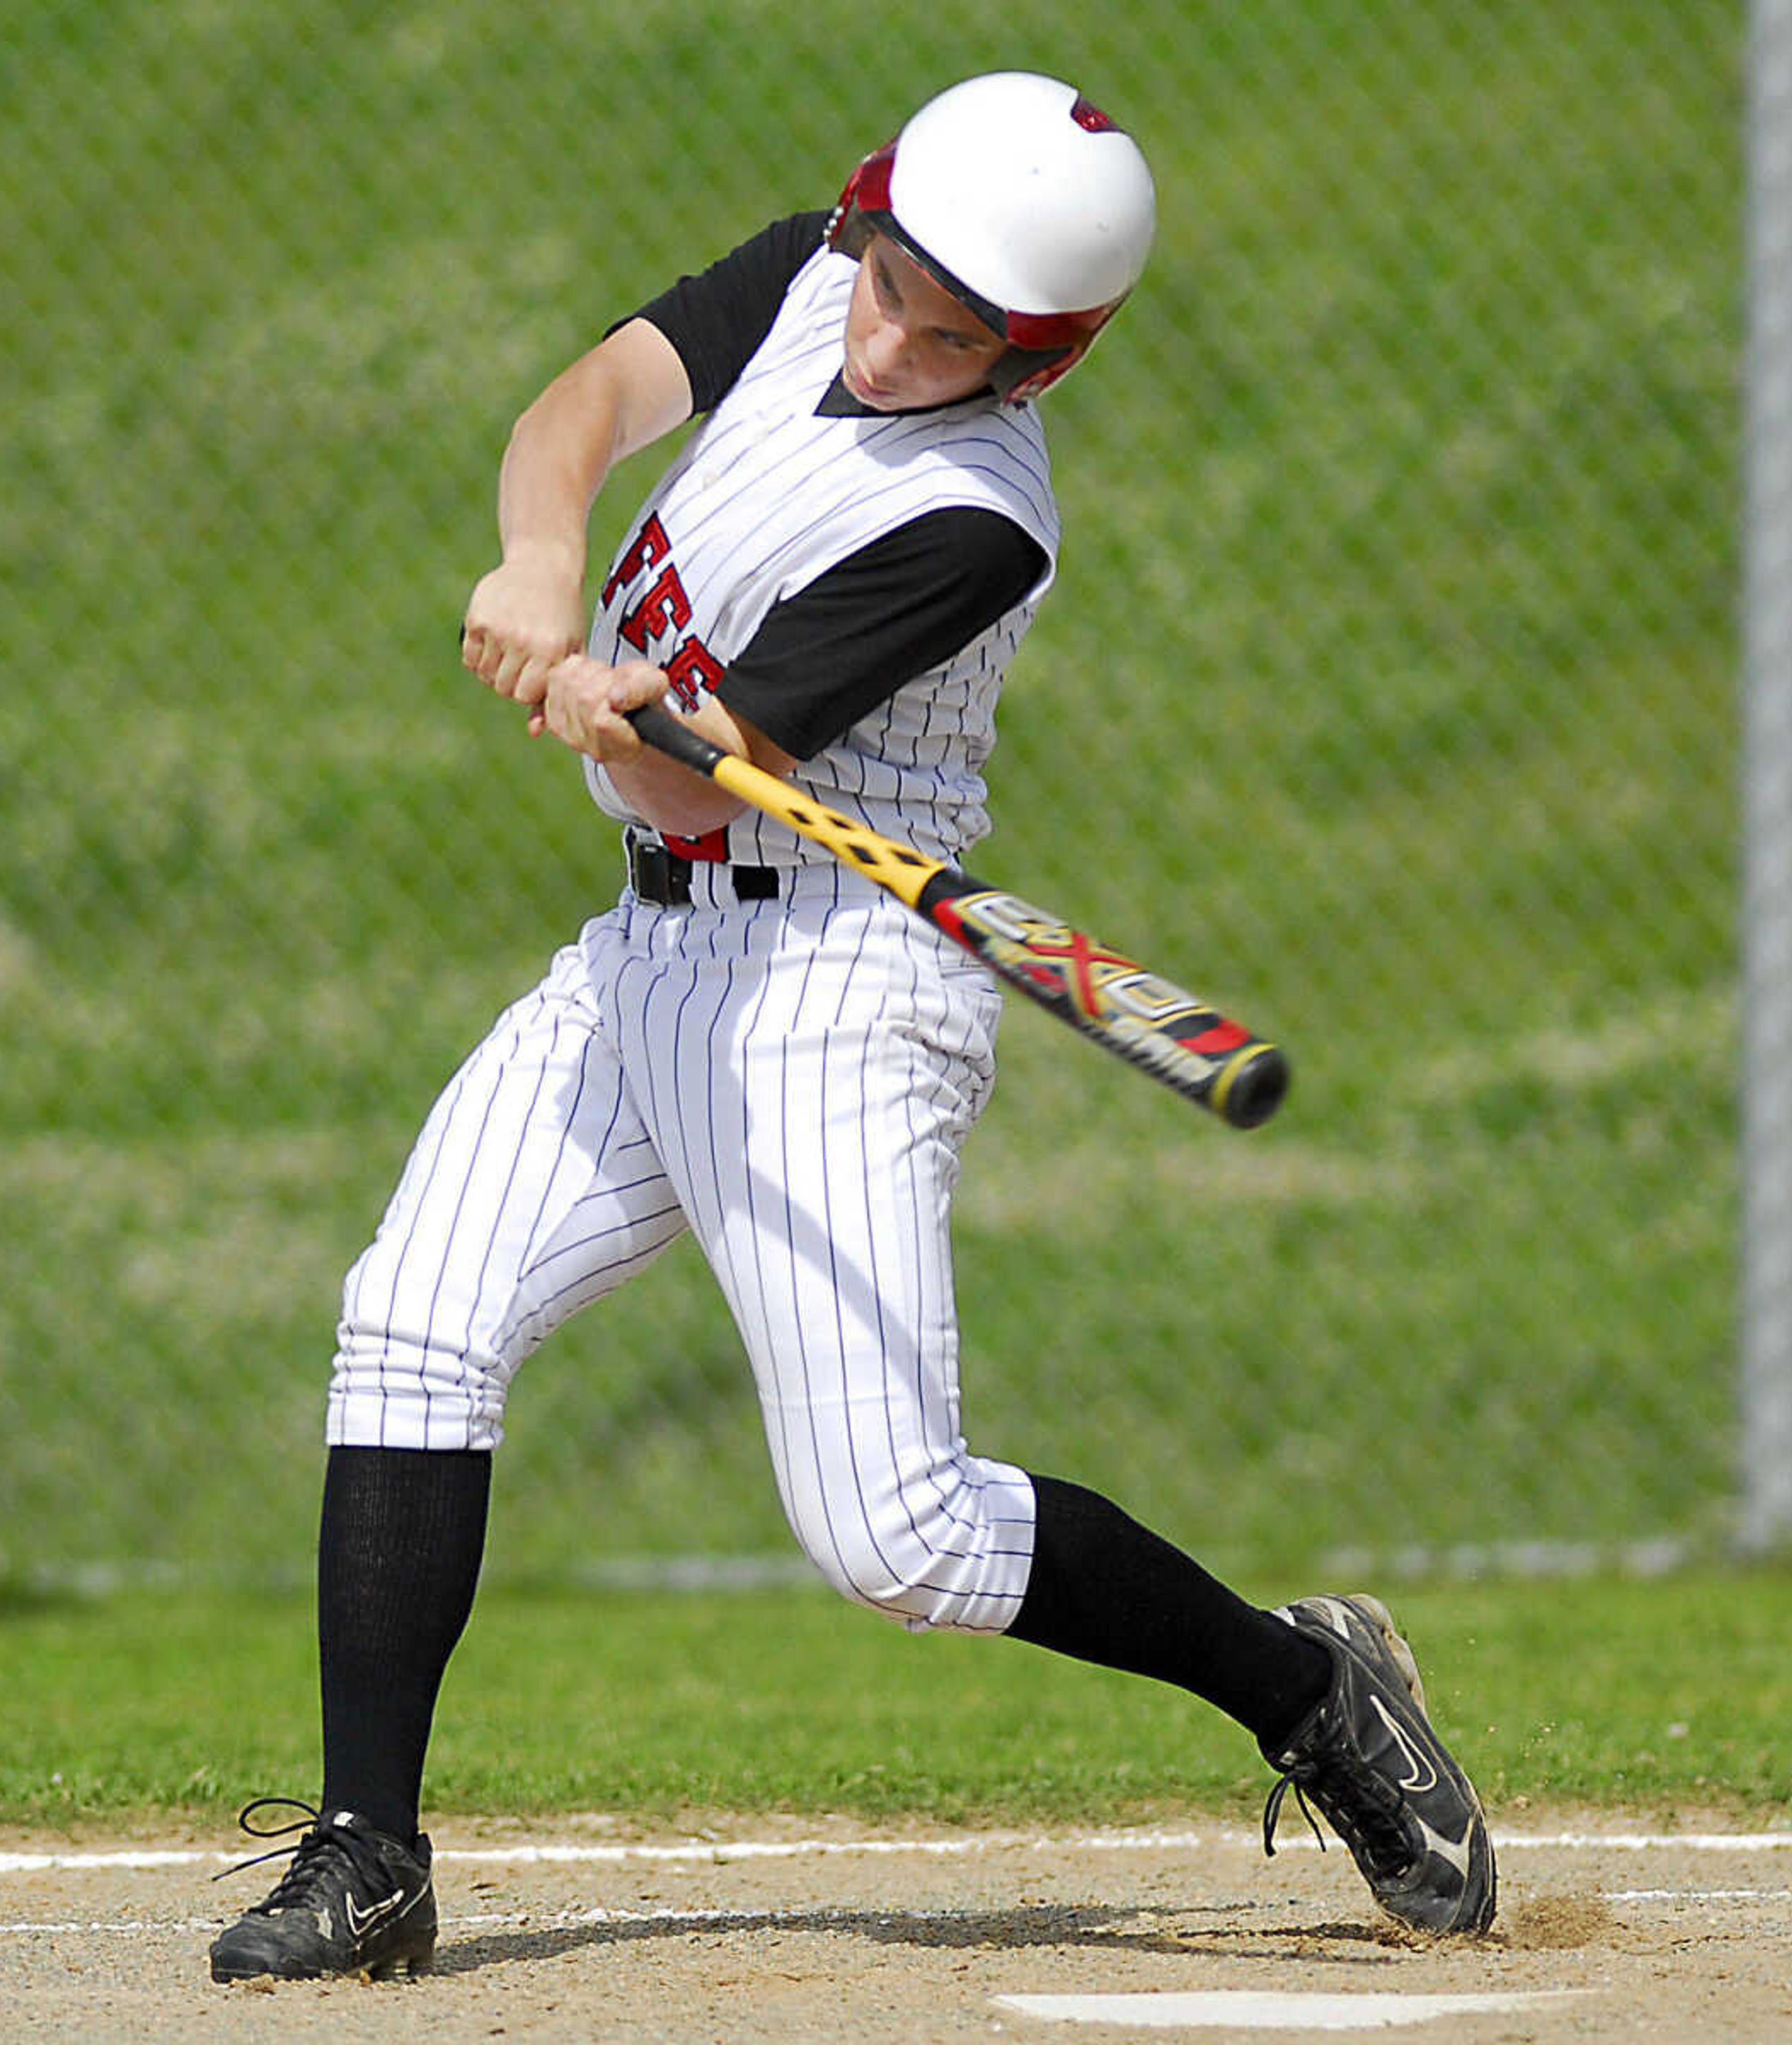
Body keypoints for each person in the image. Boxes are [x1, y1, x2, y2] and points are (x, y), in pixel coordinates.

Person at [206, 72, 1493, 1982]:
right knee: (411, 1323)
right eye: (889, 275)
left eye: (949, 331)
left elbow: (705, 787)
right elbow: (580, 409)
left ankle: (1308, 1688)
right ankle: (365, 1850)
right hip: (638, 969)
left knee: (898, 1534)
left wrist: (626, 719)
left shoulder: (977, 520)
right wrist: (543, 569)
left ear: (1034, 365)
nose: (889, 334)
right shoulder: (822, 274)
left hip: (830, 991)